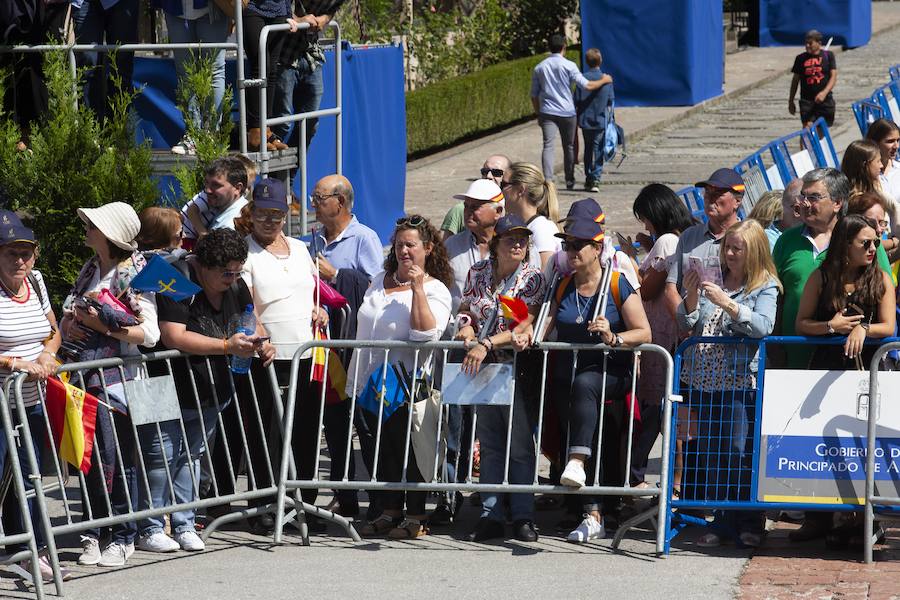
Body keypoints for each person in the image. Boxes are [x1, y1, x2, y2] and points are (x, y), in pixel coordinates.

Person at [241, 178, 358, 523]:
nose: (268, 221)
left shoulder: (300, 248)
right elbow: (247, 306)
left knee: (306, 430)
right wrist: (260, 337)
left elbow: (314, 293)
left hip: (308, 355)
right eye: (261, 214)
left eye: (275, 214)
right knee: (269, 432)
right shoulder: (245, 253)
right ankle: (265, 503)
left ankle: (303, 500)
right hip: (268, 358)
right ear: (251, 214)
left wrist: (321, 309)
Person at [152, 227, 275, 541]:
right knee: (158, 458)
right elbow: (173, 336)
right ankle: (150, 527)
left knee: (192, 456)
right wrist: (226, 346)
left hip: (209, 389)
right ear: (202, 264)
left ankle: (183, 524)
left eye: (237, 272)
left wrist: (262, 342)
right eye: (225, 273)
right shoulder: (175, 278)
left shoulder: (236, 283)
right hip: (163, 386)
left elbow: (252, 318)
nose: (232, 278)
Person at [541, 200, 650, 543]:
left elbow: (644, 333)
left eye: (577, 244)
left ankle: (583, 479)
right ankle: (589, 512)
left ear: (597, 247)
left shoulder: (617, 284)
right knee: (577, 402)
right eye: (566, 244)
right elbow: (543, 324)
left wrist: (614, 336)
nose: (570, 250)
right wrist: (524, 333)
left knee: (588, 398)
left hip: (610, 373)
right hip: (572, 379)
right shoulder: (562, 285)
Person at [60, 202, 159, 568]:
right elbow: (71, 309)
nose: (86, 227)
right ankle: (93, 533)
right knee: (86, 457)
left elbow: (150, 333)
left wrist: (101, 327)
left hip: (117, 385)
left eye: (93, 224)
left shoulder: (135, 272)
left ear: (110, 233)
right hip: (83, 377)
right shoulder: (90, 268)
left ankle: (122, 535)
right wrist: (71, 323)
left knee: (116, 461)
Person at [676, 220, 781, 548]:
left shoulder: (765, 286)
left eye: (738, 248)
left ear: (755, 251)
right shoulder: (714, 277)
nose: (731, 253)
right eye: (728, 247)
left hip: (737, 382)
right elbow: (688, 322)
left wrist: (729, 304)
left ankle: (748, 519)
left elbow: (763, 326)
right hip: (702, 379)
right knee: (711, 453)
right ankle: (722, 520)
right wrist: (692, 297)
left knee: (737, 451)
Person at [348, 215, 452, 539]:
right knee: (382, 451)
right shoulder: (379, 278)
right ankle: (390, 511)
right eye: (399, 244)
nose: (404, 251)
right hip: (369, 381)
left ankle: (417, 516)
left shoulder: (436, 289)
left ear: (428, 248)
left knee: (411, 451)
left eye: (411, 244)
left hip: (407, 384)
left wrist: (417, 288)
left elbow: (425, 335)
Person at [795, 214, 895, 547]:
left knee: (861, 447)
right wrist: (831, 326)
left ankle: (861, 519)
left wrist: (862, 328)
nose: (872, 248)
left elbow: (888, 326)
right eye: (864, 243)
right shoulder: (822, 278)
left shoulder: (880, 278)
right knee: (820, 446)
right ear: (844, 245)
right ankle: (818, 518)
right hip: (825, 370)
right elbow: (802, 323)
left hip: (867, 372)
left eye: (876, 242)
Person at [455, 215, 546, 543]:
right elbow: (466, 308)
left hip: (516, 366)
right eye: (511, 239)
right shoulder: (478, 272)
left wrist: (486, 343)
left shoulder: (531, 278)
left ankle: (523, 515)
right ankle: (490, 514)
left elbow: (524, 324)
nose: (519, 244)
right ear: (496, 243)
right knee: (490, 442)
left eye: (523, 239)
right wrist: (464, 325)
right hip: (483, 367)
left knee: (520, 443)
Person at [0, 210, 68, 581]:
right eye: (12, 253)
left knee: (30, 480)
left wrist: (47, 354)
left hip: (31, 404)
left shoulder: (37, 282)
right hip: (1, 402)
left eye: (27, 252)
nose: (21, 260)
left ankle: (31, 552)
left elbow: (53, 331)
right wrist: (14, 363)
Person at [625, 184, 694, 487]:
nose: (645, 225)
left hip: (661, 336)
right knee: (662, 413)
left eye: (645, 218)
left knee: (665, 412)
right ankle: (658, 477)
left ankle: (675, 481)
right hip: (666, 332)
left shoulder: (667, 240)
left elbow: (647, 287)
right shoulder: (681, 237)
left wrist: (629, 257)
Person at [531, 34, 612, 189]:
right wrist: (605, 80)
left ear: (549, 47)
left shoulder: (539, 67)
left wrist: (538, 113)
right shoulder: (569, 65)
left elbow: (534, 95)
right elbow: (587, 86)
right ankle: (569, 179)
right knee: (569, 146)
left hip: (547, 110)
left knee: (548, 145)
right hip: (567, 111)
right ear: (564, 47)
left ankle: (548, 179)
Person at [152, 0, 231, 155]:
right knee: (185, 72)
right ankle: (193, 135)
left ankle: (211, 134)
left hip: (213, 7)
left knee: (214, 71)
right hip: (175, 8)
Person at [665, 168, 745, 316]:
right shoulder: (689, 237)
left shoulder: (749, 240)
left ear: (737, 201)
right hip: (692, 334)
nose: (710, 198)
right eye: (708, 193)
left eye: (718, 193)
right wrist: (685, 325)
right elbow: (671, 288)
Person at [271, 0, 346, 152]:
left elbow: (333, 8)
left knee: (310, 123)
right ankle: (271, 174)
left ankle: (288, 173)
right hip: (283, 52)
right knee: (282, 123)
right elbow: (271, 7)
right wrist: (298, 20)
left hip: (310, 53)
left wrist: (325, 18)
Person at [72, 0, 140, 122]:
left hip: (122, 4)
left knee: (121, 68)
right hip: (84, 3)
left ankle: (118, 133)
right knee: (87, 66)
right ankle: (90, 132)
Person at [309, 174, 383, 283]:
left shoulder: (364, 238)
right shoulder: (317, 239)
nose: (313, 204)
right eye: (313, 198)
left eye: (319, 198)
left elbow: (378, 289)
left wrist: (335, 276)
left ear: (340, 201)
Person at [444, 178, 505, 309]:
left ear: (498, 212)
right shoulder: (452, 245)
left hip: (500, 327)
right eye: (466, 206)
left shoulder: (516, 248)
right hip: (456, 326)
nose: (467, 211)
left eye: (475, 207)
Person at [242, 0, 291, 151]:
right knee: (260, 66)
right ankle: (255, 130)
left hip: (280, 11)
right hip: (253, 8)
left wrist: (288, 12)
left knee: (271, 71)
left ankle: (267, 129)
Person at [500, 162, 562, 268]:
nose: (500, 190)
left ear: (520, 190)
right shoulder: (532, 225)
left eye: (503, 185)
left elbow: (544, 277)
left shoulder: (541, 229)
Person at [181, 156, 250, 249]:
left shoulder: (230, 227)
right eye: (206, 182)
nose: (207, 190)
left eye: (216, 185)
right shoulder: (221, 205)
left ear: (237, 188)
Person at [441, 154, 511, 241]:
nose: (488, 176)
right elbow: (445, 250)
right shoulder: (459, 210)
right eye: (485, 171)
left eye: (496, 172)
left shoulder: (514, 209)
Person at [574, 48, 614, 193]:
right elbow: (610, 101)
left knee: (588, 149)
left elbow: (576, 100)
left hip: (585, 119)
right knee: (598, 149)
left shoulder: (582, 79)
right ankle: (595, 178)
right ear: (600, 61)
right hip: (600, 120)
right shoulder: (606, 80)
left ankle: (588, 176)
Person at [788, 29, 837, 128]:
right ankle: (805, 144)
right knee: (807, 129)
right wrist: (791, 100)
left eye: (810, 43)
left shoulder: (828, 56)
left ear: (819, 43)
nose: (807, 46)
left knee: (821, 130)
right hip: (807, 101)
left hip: (825, 101)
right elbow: (795, 80)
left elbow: (833, 76)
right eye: (806, 43)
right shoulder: (800, 58)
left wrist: (824, 92)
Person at [865, 118, 900, 228]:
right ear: (874, 143)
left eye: (898, 140)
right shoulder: (864, 175)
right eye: (890, 141)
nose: (896, 146)